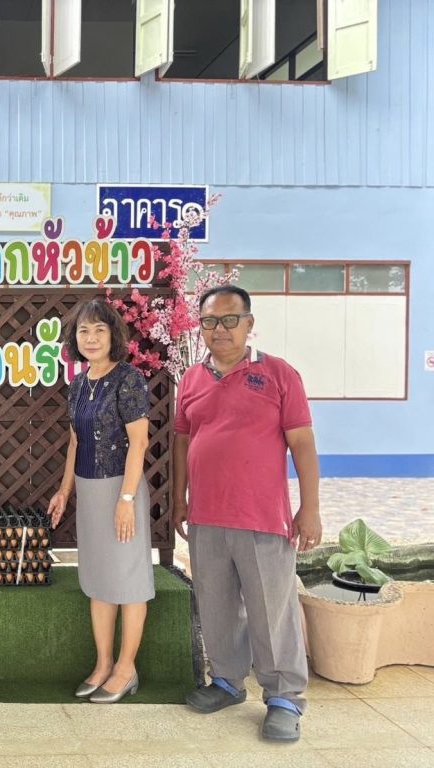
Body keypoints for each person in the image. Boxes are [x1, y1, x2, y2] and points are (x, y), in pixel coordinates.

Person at [172, 285, 321, 743]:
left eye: (229, 320)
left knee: (271, 610)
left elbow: (302, 443)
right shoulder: (191, 379)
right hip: (206, 516)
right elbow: (182, 441)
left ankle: (284, 698)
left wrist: (310, 508)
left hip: (262, 517)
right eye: (209, 321)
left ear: (249, 323)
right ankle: (227, 681)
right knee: (216, 605)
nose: (219, 329)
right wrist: (179, 498)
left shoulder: (279, 374)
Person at [48, 299, 154, 704]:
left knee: (129, 579)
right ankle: (103, 663)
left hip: (121, 489)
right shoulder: (78, 384)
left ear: (113, 336)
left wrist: (126, 498)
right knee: (98, 579)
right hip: (89, 490)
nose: (90, 338)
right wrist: (64, 491)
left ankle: (126, 669)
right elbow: (75, 442)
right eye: (83, 331)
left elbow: (139, 442)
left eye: (99, 330)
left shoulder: (129, 379)